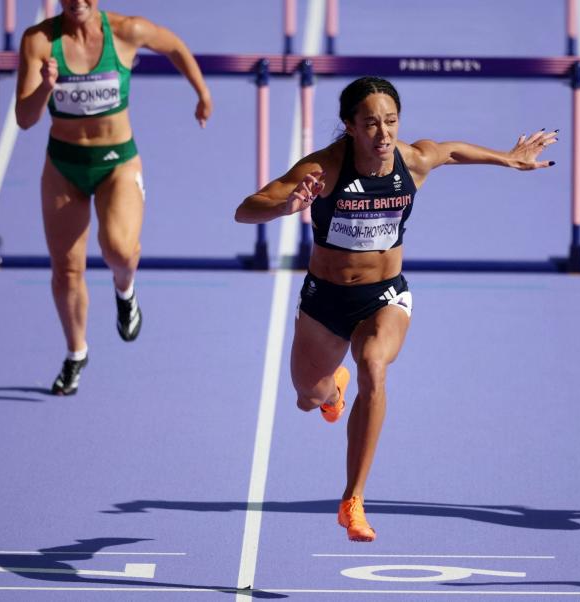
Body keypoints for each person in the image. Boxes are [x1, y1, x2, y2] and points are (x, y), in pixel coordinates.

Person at [235, 76, 557, 541]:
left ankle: (353, 500)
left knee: (374, 365)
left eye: (391, 121)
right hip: (326, 299)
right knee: (308, 396)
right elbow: (246, 209)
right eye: (370, 124)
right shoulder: (322, 169)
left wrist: (507, 158)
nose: (383, 134)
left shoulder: (411, 161)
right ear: (349, 126)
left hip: (384, 296)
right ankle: (332, 393)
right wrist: (288, 204)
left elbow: (450, 151)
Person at [15, 1, 212, 395]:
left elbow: (174, 45)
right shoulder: (38, 41)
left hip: (116, 163)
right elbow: (24, 117)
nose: (77, 2)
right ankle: (76, 353)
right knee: (66, 270)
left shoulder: (127, 31)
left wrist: (202, 93)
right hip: (64, 167)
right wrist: (46, 90)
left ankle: (126, 292)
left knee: (119, 250)